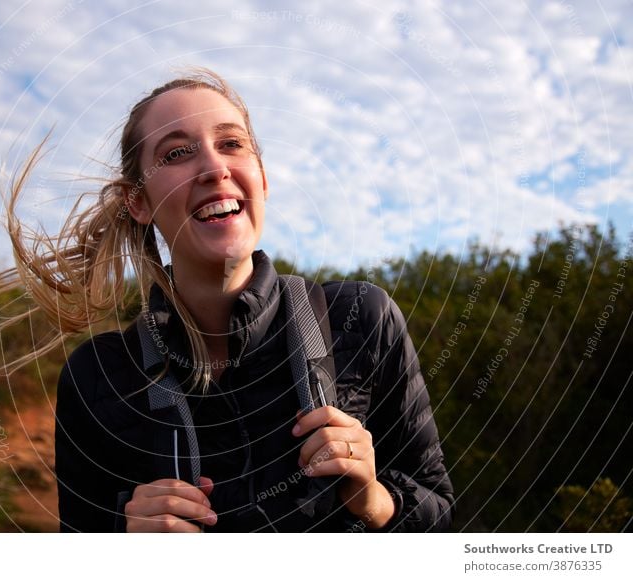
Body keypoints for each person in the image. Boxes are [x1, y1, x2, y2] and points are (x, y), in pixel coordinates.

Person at [49, 69, 454, 532]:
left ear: (261, 178)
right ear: (137, 201)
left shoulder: (361, 317)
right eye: (177, 153)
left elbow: (439, 515)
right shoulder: (95, 376)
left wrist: (375, 499)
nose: (214, 168)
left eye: (231, 144)